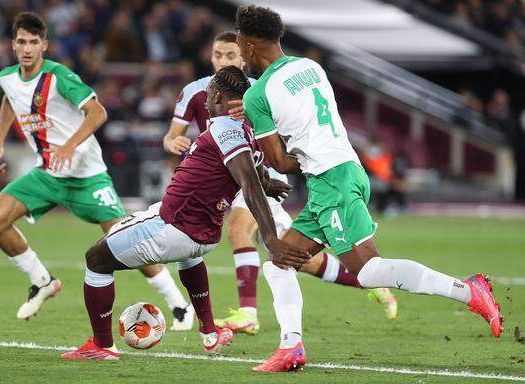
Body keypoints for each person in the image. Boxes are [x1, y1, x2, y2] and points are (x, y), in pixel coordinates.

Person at [235, 5, 503, 372]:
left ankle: (468, 291)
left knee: (370, 272)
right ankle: (291, 347)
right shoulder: (311, 67)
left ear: (249, 45)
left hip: (331, 180)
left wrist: (268, 142)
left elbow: (280, 163)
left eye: (237, 41)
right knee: (280, 262)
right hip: (343, 171)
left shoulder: (257, 95)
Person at [61, 65, 307, 360]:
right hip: (202, 234)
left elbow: (249, 184)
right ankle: (210, 333)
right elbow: (251, 172)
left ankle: (101, 346)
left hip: (172, 226)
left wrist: (271, 239)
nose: (204, 96)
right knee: (188, 256)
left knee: (96, 259)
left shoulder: (224, 129)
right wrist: (268, 183)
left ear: (215, 94)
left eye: (208, 91)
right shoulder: (245, 130)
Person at [163, 31, 397, 335]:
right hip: (227, 178)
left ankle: (248, 313)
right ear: (210, 56)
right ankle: (370, 280)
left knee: (237, 230)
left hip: (262, 174)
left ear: (244, 57)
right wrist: (174, 141)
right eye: (218, 54)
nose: (223, 61)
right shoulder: (195, 91)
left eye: (231, 55)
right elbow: (171, 134)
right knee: (297, 257)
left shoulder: (263, 91)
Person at [0, 12, 194, 331]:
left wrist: (68, 145)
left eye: (34, 42)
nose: (27, 49)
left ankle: (178, 304)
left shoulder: (59, 77)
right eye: (22, 42)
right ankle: (42, 281)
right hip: (47, 174)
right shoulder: (7, 78)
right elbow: (10, 101)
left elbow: (98, 112)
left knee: (128, 242)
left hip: (86, 175)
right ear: (13, 45)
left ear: (45, 45)